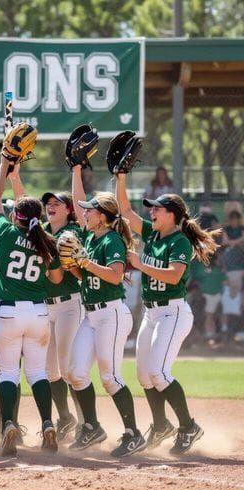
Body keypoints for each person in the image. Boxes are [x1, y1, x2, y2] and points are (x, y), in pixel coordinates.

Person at [116, 181, 219, 455]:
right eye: (151, 210)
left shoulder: (180, 242)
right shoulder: (152, 234)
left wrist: (140, 264)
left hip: (173, 312)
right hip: (152, 313)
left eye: (157, 210)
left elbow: (173, 275)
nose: (151, 214)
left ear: (172, 214)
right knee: (143, 376)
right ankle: (161, 425)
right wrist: (121, 177)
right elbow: (125, 210)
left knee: (159, 373)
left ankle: (188, 427)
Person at [0, 158, 65, 454]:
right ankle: (47, 423)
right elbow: (57, 278)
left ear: (15, 216)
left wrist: (4, 166)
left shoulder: (6, 234)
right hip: (38, 313)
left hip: (8, 311)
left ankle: (9, 424)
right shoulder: (47, 241)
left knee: (8, 373)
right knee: (38, 373)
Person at [68, 170, 144, 457]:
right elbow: (83, 275)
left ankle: (133, 433)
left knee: (110, 377)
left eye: (91, 210)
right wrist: (72, 264)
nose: (85, 213)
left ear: (103, 216)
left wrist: (85, 263)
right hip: (91, 315)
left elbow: (114, 276)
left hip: (111, 314)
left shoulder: (111, 240)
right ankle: (92, 428)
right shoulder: (90, 237)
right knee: (75, 373)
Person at [36, 189, 83, 439]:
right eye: (48, 203)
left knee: (68, 368)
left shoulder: (73, 232)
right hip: (45, 306)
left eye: (57, 203)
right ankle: (66, 418)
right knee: (49, 370)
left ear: (69, 210)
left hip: (68, 305)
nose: (51, 206)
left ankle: (86, 421)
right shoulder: (41, 229)